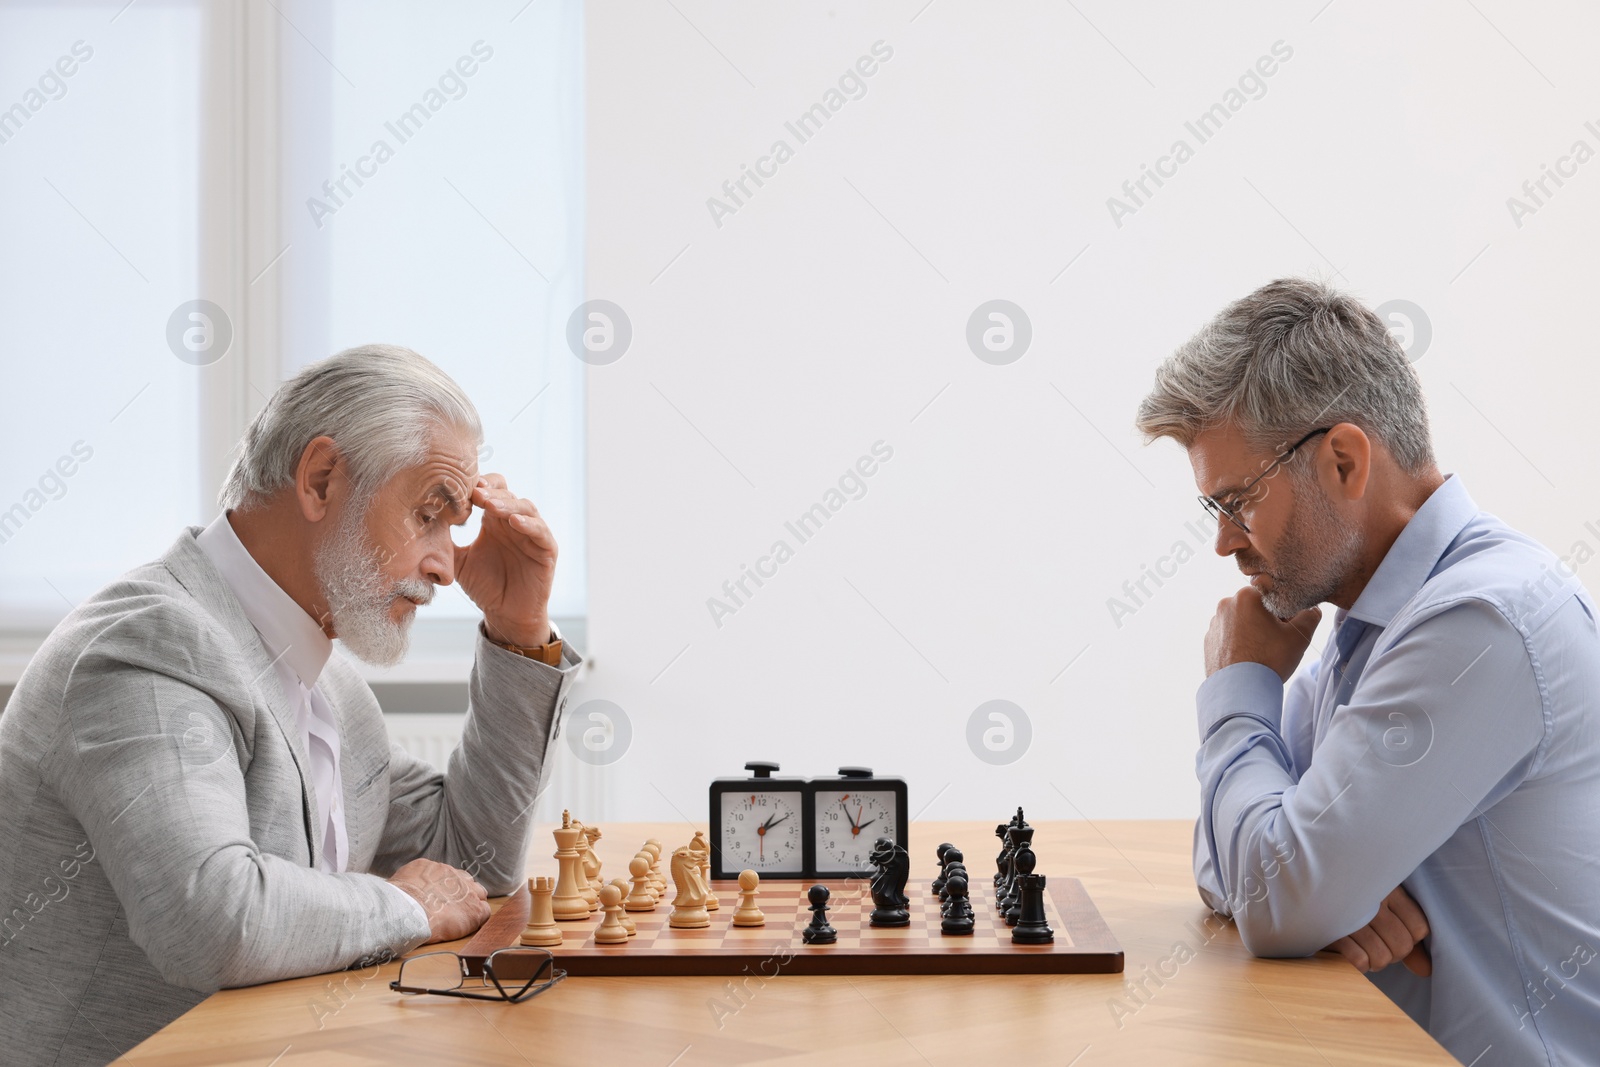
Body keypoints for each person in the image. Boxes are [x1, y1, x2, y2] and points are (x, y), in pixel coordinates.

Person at [0, 345, 580, 1065]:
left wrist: (519, 630)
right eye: (429, 514)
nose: (444, 564)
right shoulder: (149, 645)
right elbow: (208, 917)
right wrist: (404, 908)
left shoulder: (327, 683)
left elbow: (473, 861)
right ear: (322, 478)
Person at [1135, 279, 1600, 1064]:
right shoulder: (1379, 621)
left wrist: (1239, 684)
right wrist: (1316, 889)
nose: (1224, 543)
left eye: (1236, 501)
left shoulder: (1480, 622)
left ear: (1344, 459)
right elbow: (1230, 863)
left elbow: (1267, 891)